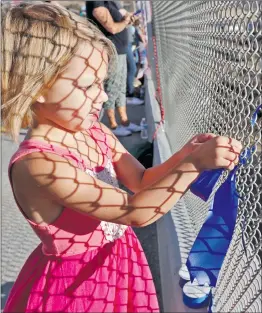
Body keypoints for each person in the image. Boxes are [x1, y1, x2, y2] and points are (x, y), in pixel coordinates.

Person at [1, 2, 242, 313]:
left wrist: (186, 155)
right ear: (40, 88)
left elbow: (141, 182)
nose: (102, 96)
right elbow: (133, 212)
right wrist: (194, 165)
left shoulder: (94, 132)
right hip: (79, 286)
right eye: (88, 85)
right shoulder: (39, 164)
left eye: (101, 83)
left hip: (122, 262)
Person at [86, 1, 142, 137]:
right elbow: (112, 28)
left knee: (120, 88)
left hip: (120, 51)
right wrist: (125, 21)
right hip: (111, 51)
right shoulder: (97, 2)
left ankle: (124, 121)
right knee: (111, 88)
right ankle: (112, 125)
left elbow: (122, 18)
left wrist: (130, 20)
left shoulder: (111, 2)